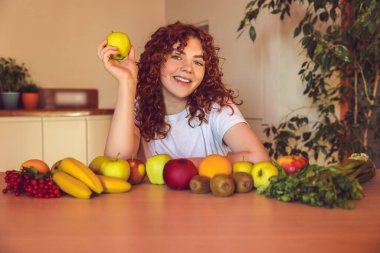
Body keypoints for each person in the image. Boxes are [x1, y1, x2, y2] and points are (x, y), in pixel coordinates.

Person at [97, 21, 270, 167]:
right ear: (157, 61)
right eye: (177, 56)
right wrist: (127, 82)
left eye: (197, 62)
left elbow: (259, 158)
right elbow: (117, 160)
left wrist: (182, 166)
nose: (188, 68)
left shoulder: (217, 105)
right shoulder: (139, 107)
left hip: (212, 205)